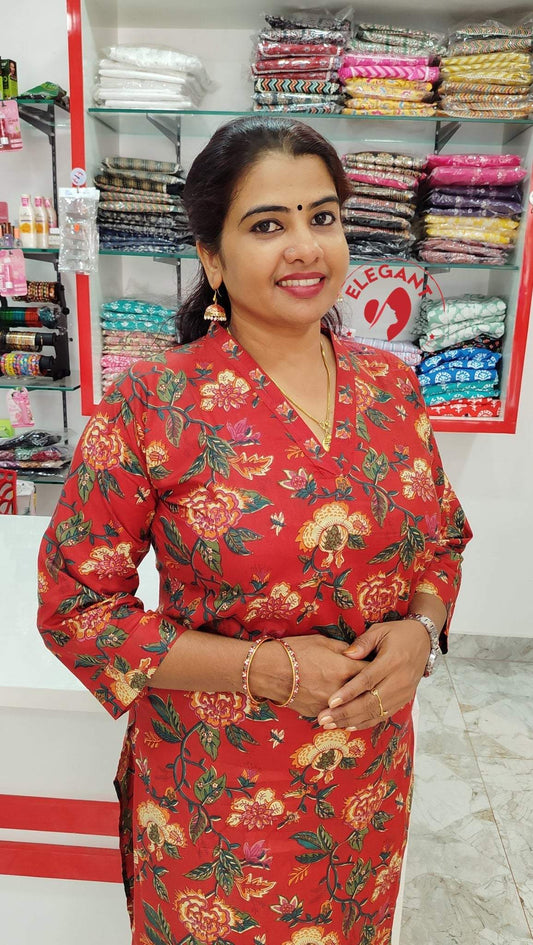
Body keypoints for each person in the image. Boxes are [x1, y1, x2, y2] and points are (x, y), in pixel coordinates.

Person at [37, 116, 472, 945]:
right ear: (211, 257)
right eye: (266, 225)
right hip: (218, 806)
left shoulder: (391, 387)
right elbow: (76, 611)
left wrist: (421, 628)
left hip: (366, 787)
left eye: (322, 216)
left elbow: (440, 539)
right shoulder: (151, 406)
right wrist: (264, 667)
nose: (305, 246)